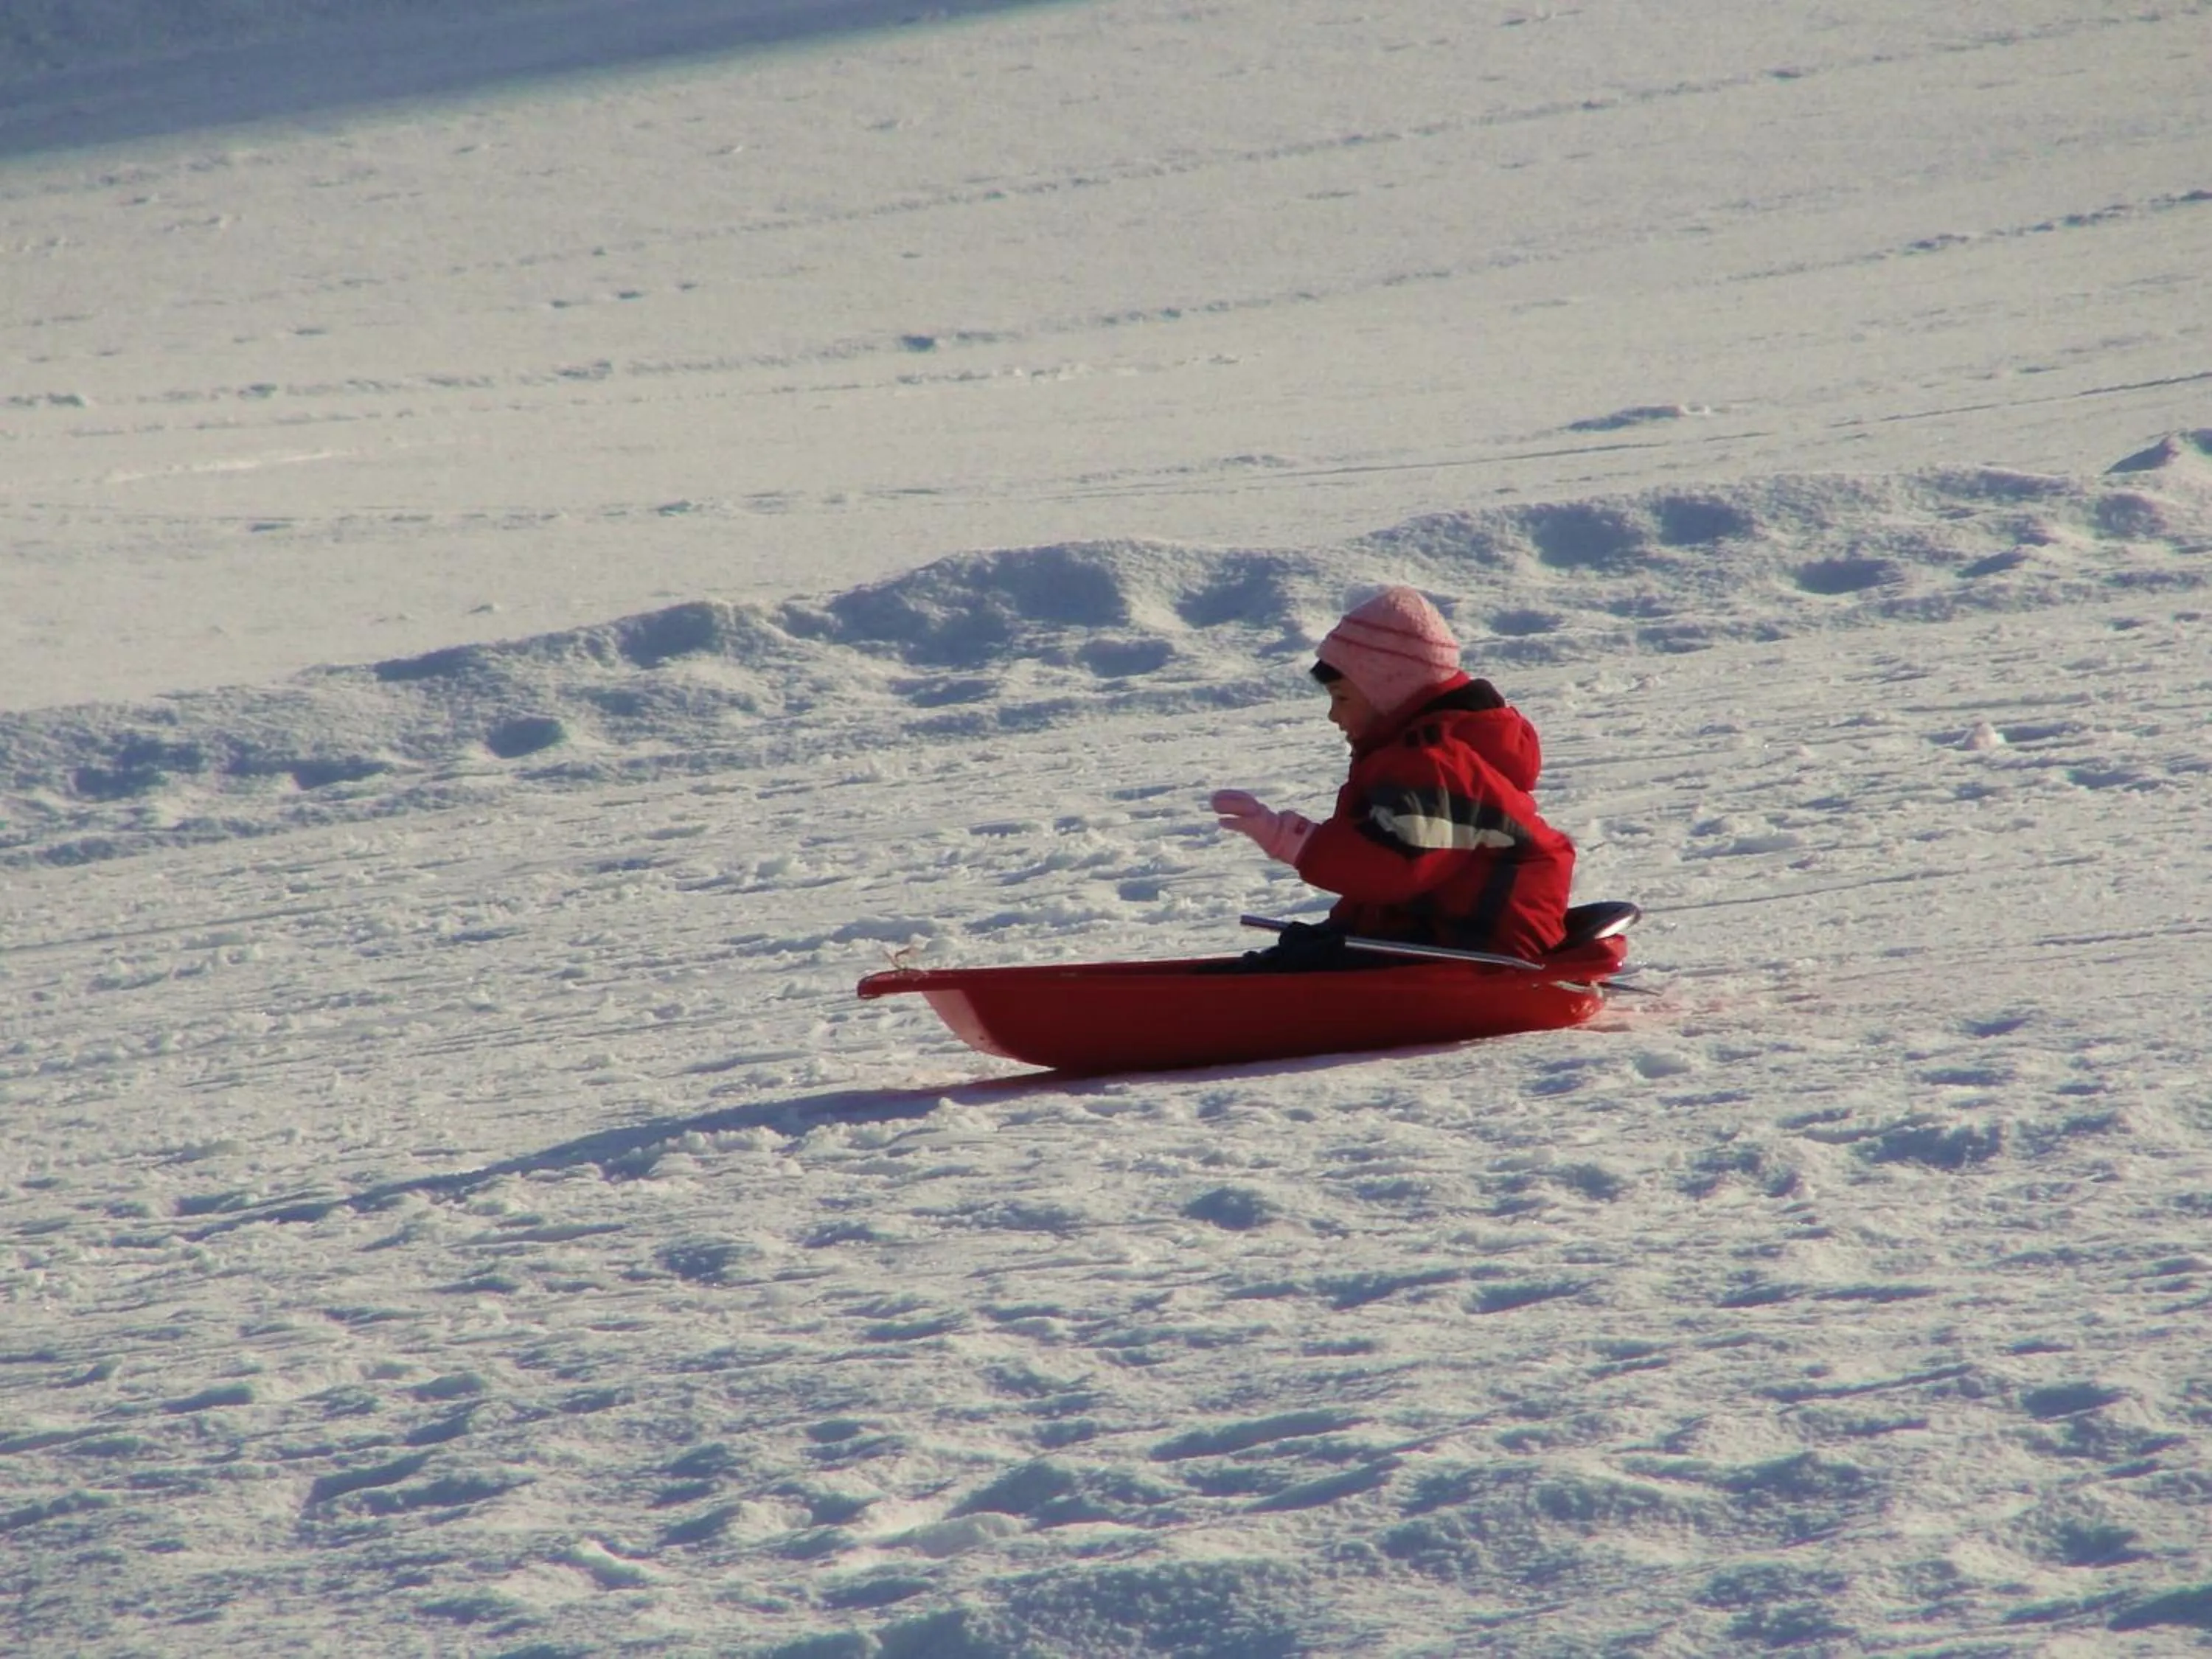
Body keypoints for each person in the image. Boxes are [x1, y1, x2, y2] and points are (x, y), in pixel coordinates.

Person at [1210, 585, 1575, 969]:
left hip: (1482, 948)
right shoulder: (1415, 753)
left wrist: (1294, 841)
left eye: (1343, 698)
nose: (1333, 716)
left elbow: (1394, 865)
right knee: (1307, 953)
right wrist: (1340, 931)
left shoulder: (1435, 762)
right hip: (1444, 934)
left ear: (1389, 691)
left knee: (1303, 966)